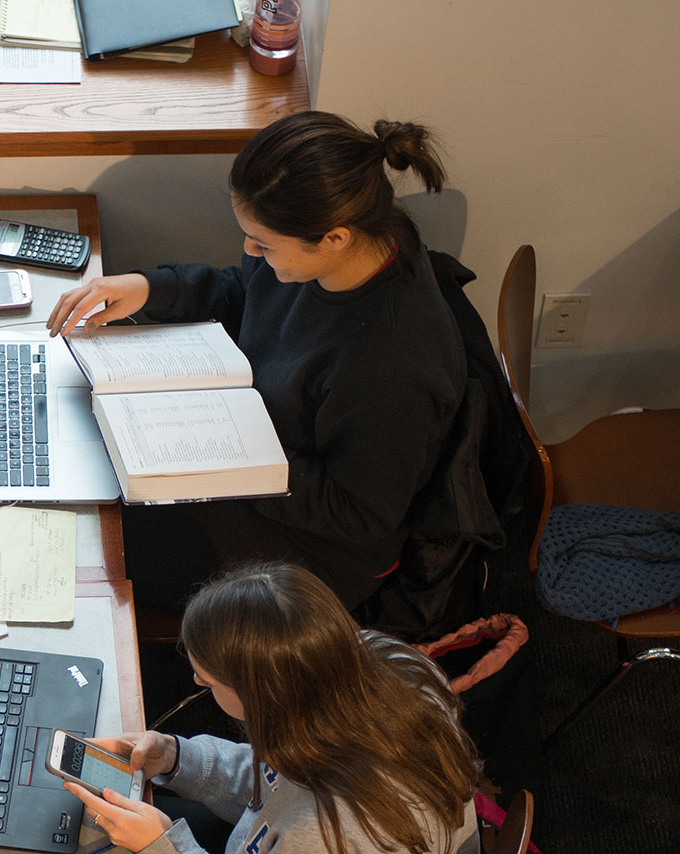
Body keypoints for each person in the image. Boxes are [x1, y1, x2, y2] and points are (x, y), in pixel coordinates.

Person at [46, 111, 469, 610]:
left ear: (335, 237)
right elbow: (248, 291)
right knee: (86, 457)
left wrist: (231, 462)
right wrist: (149, 288)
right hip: (247, 458)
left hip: (309, 548)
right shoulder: (352, 245)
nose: (249, 250)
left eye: (263, 244)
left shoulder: (391, 373)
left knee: (91, 546)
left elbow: (357, 513)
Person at [62, 563, 481, 854]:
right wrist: (176, 757)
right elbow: (276, 781)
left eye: (206, 682)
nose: (196, 684)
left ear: (263, 696)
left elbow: (289, 803)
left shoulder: (323, 833)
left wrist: (162, 846)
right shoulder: (381, 661)